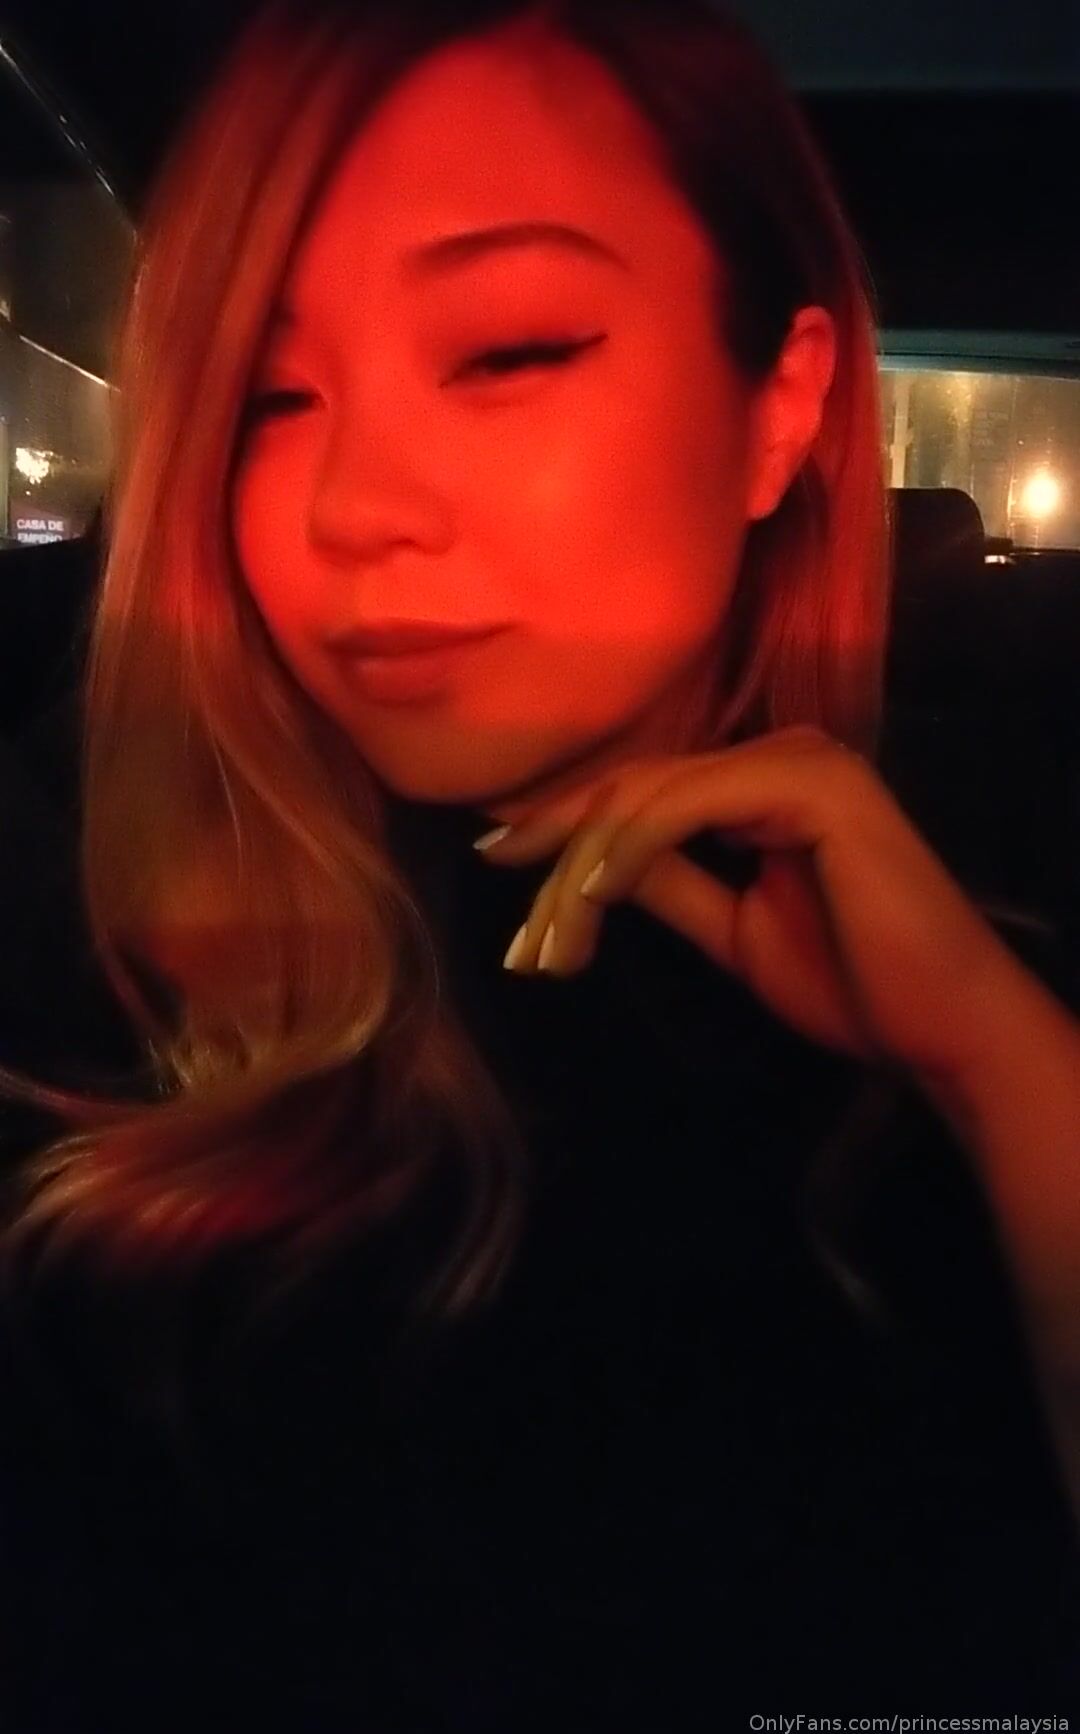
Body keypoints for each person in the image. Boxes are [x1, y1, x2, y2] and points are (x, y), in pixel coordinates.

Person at [1, 0, 1079, 1725]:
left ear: (780, 409)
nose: (352, 507)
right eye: (273, 393)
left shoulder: (1012, 906)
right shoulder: (78, 937)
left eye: (507, 352)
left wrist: (996, 1055)